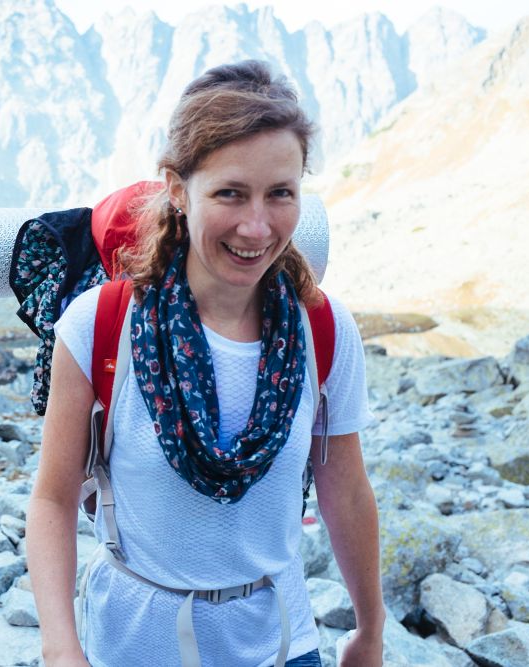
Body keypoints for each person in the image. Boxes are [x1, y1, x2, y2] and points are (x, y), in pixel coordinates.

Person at [26, 61, 384, 667]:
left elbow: (345, 490)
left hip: (280, 645)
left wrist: (370, 629)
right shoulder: (99, 325)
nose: (257, 226)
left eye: (281, 193)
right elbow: (53, 500)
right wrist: (61, 648)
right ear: (177, 189)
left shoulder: (322, 329)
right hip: (133, 648)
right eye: (230, 193)